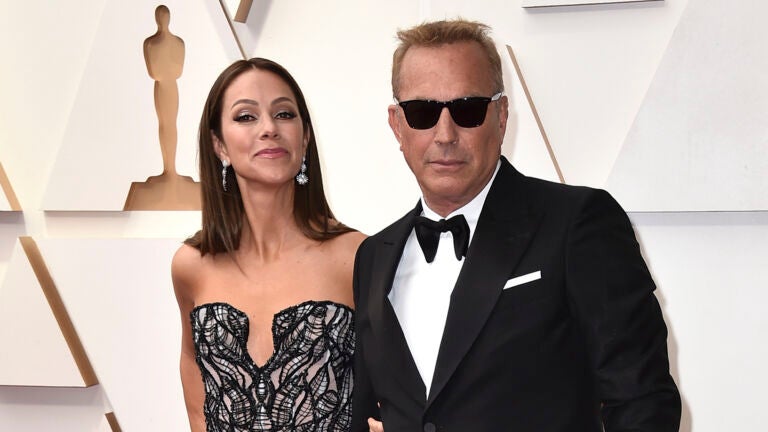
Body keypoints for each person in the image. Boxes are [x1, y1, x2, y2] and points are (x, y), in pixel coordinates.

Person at [352, 19, 681, 432]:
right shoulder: (373, 257)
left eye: (468, 109)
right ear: (397, 125)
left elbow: (643, 403)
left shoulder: (576, 223)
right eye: (423, 112)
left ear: (501, 116)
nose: (445, 133)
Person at [172, 58, 365, 432]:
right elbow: (192, 365)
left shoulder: (356, 256)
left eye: (284, 114)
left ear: (304, 137)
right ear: (219, 146)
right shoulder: (191, 265)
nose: (269, 129)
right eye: (246, 117)